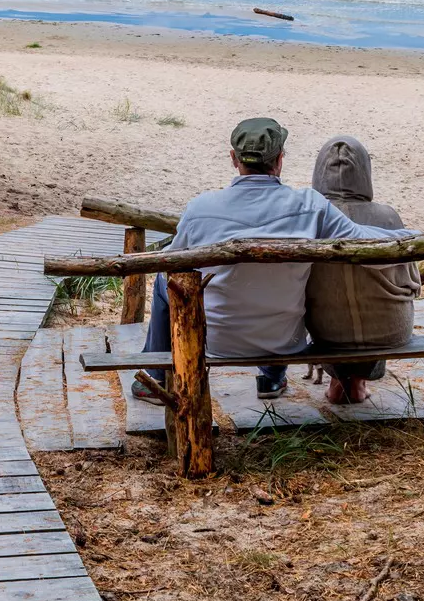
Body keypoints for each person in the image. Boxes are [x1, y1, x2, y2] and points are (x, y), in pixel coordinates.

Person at [136, 118, 410, 404]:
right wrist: (416, 236)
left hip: (220, 343)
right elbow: (367, 245)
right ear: (279, 160)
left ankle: (157, 375)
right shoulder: (310, 205)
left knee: (164, 282)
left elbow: (176, 266)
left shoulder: (200, 208)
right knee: (285, 282)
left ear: (234, 159)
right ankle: (271, 377)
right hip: (284, 343)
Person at [302, 135, 421, 403]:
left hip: (328, 334)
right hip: (390, 333)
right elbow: (411, 280)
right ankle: (358, 382)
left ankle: (338, 381)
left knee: (331, 307)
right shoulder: (386, 216)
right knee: (381, 306)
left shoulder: (308, 217)